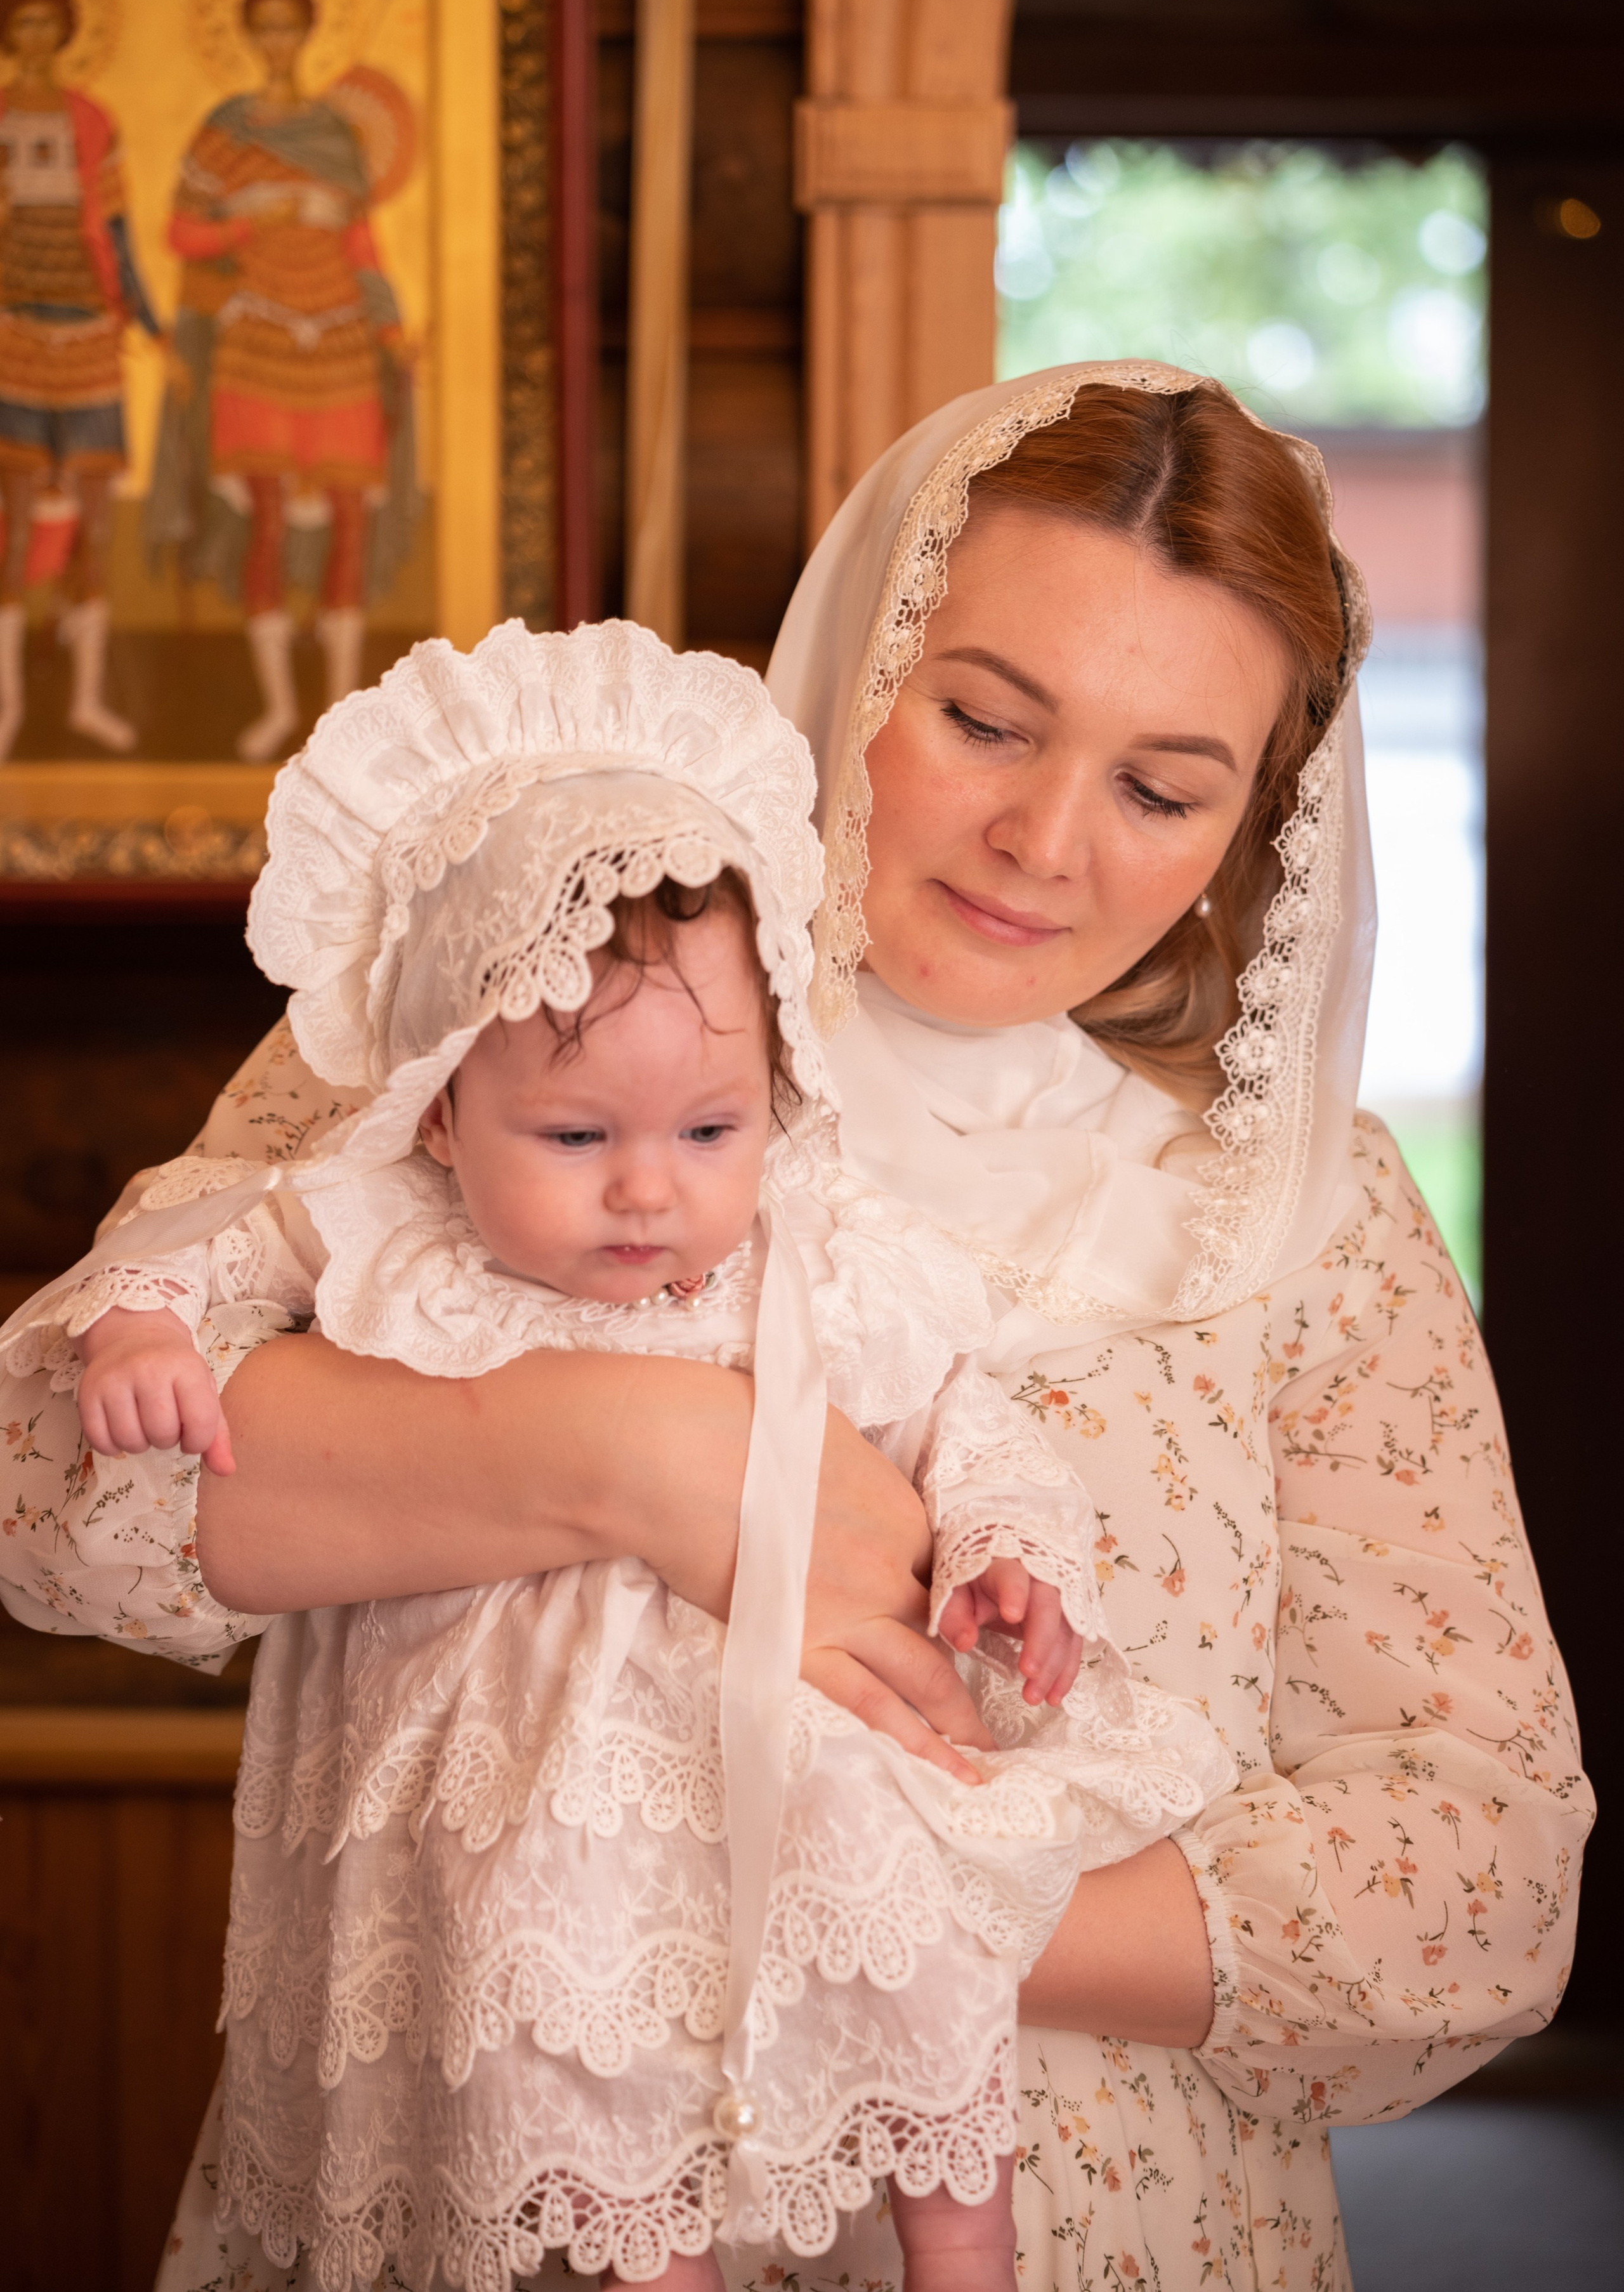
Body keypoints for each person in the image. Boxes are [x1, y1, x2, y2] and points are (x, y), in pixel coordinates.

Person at [0, 364, 1592, 2292]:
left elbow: (1480, 1884)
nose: (1043, 838)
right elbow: (58, 1498)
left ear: (1248, 827)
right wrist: (640, 1459)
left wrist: (835, 1893)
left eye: (1160, 788)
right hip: (492, 2187)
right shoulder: (524, 1002)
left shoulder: (1305, 1219)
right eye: (982, 720)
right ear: (851, 664)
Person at [1, 619, 1229, 2291]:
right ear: (444, 1111)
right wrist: (144, 1328)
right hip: (535, 1797)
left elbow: (959, 1414)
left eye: (710, 1129)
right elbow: (197, 1239)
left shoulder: (802, 1245)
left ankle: (966, 2252)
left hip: (796, 1769)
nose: (650, 1189)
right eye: (576, 1135)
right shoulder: (392, 1217)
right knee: (572, 2066)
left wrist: (1013, 1548)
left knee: (922, 1956)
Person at [152, 0, 413, 762]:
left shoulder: (334, 133)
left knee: (351, 521)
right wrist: (251, 218)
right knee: (264, 520)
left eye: (288, 26)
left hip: (339, 338)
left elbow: (362, 243)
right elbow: (180, 234)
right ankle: (278, 710)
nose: (276, 41)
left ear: (307, 33)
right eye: (263, 26)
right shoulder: (224, 131)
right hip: (258, 338)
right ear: (246, 33)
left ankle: (338, 717)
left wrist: (391, 327)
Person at [0, 0, 162, 759]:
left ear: (64, 31)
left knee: (93, 529)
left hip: (91, 333)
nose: (35, 37)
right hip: (12, 337)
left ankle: (88, 701)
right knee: (12, 525)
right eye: (21, 23)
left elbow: (119, 227)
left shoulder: (92, 120)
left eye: (46, 22)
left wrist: (151, 319)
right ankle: (7, 706)